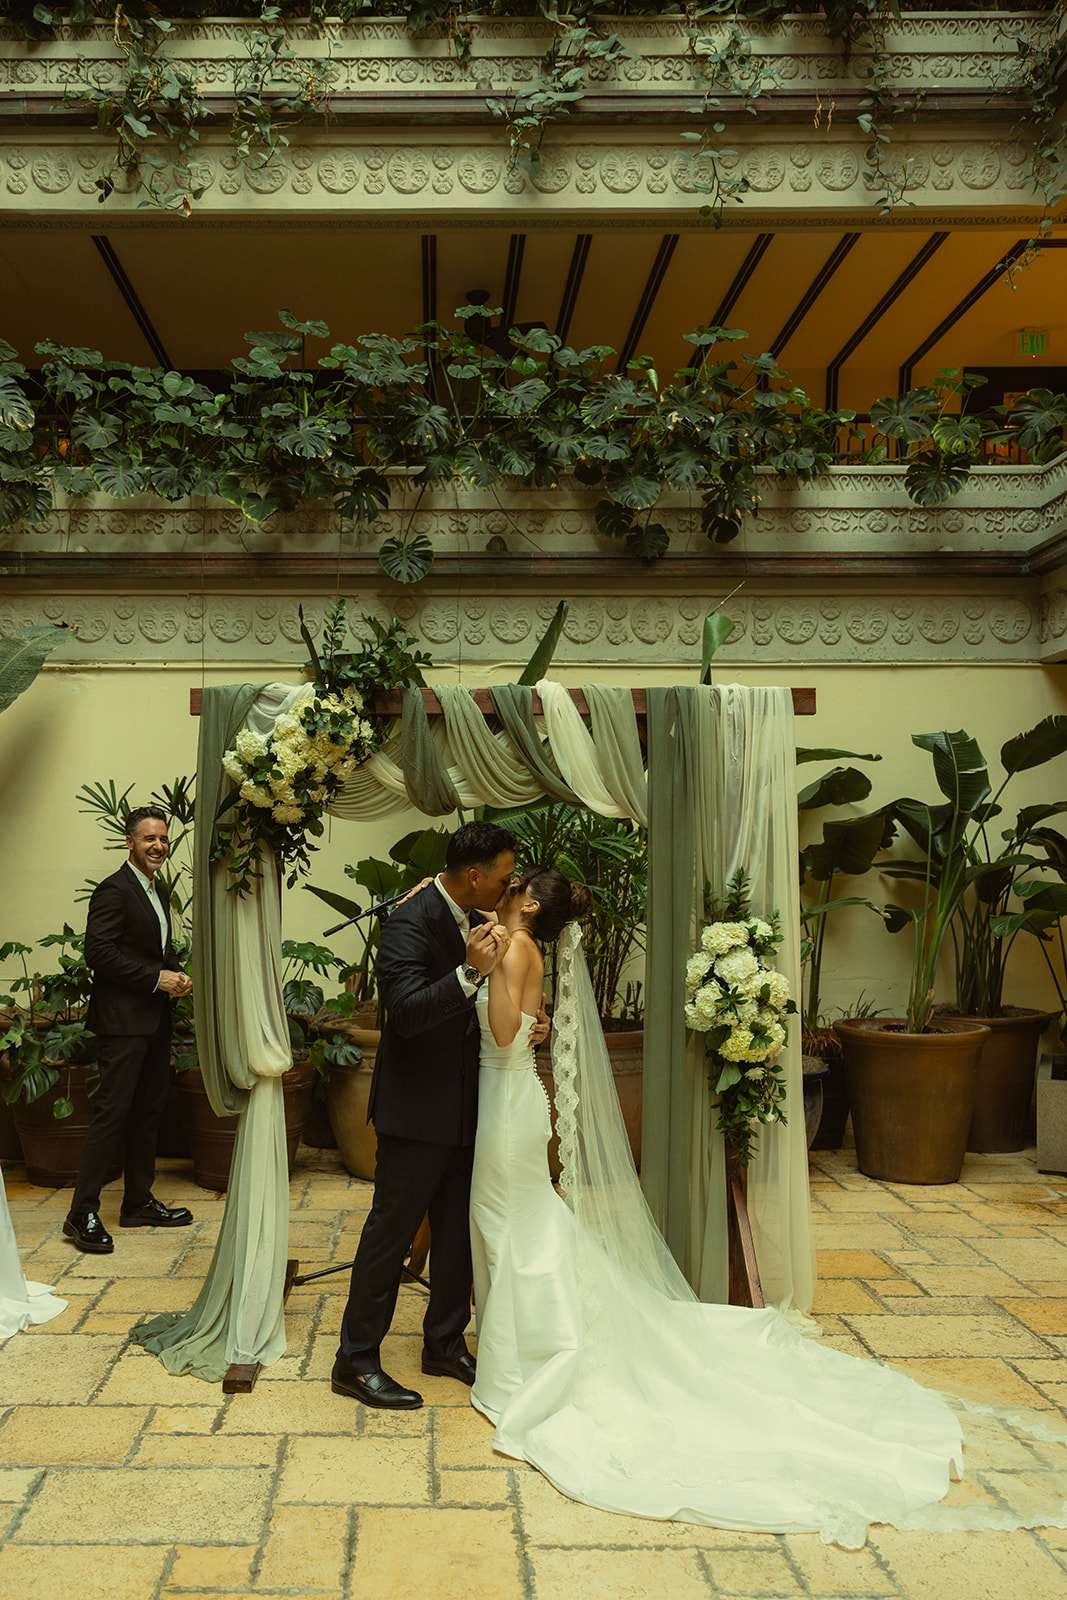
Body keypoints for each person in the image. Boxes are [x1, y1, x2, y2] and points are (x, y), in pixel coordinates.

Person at [467, 864, 1051, 1549]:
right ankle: (523, 1347)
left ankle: (530, 1358)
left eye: (508, 888)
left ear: (528, 904)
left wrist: (483, 976)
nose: (497, 893)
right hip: (503, 1103)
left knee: (514, 1222)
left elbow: (508, 1033)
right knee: (512, 1222)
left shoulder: (515, 949)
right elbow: (523, 1027)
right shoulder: (509, 946)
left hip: (507, 1105)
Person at [332, 820, 519, 1411]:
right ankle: (355, 1361)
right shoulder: (409, 922)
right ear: (474, 876)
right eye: (503, 878)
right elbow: (407, 1014)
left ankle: (443, 1342)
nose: (508, 888)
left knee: (458, 1233)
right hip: (415, 1112)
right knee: (389, 1237)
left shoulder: (474, 915)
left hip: (466, 1106)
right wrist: (468, 973)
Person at [64, 806, 194, 1255]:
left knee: (147, 1113)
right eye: (148, 839)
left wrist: (174, 974)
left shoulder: (155, 891)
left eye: (163, 838)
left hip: (154, 1020)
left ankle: (137, 1202)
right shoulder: (114, 889)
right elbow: (97, 953)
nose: (158, 845)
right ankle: (81, 1213)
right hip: (122, 1024)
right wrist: (154, 978)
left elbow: (151, 950)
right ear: (130, 842)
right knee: (111, 1116)